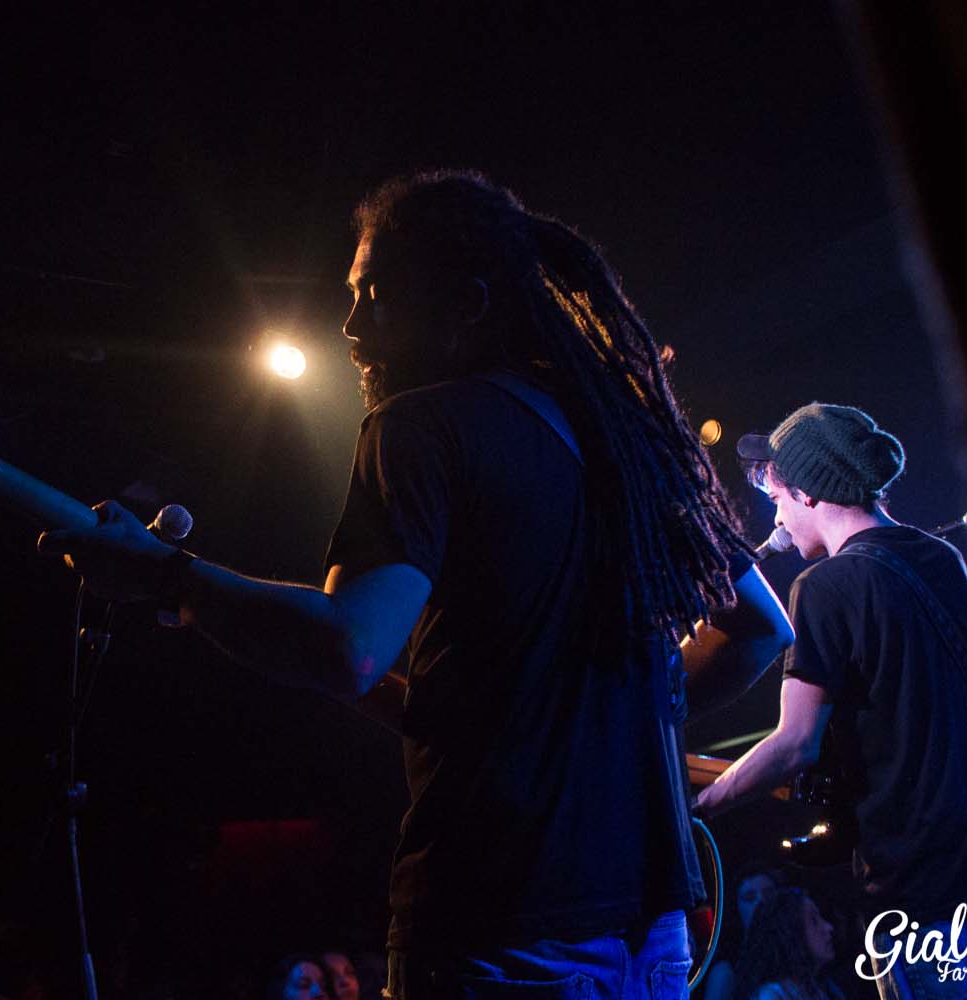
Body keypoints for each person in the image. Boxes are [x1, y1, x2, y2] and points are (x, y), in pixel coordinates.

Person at [44, 170, 793, 998]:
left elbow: (350, 646)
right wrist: (614, 722)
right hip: (653, 932)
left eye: (378, 296)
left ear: (467, 304)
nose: (350, 324)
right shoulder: (625, 436)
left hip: (500, 923)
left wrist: (165, 577)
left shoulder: (420, 426)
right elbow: (760, 629)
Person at [693, 403, 967, 999]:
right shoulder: (943, 560)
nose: (774, 514)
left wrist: (699, 806)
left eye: (776, 497)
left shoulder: (825, 585)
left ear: (807, 494)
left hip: (925, 894)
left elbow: (794, 744)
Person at [733, 889, 840, 1000]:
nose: (828, 927)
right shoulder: (771, 996)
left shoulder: (821, 989)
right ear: (790, 932)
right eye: (814, 921)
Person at [701, 865, 782, 1000]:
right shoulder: (725, 973)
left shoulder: (799, 956)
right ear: (736, 910)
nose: (761, 902)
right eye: (750, 898)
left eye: (769, 894)